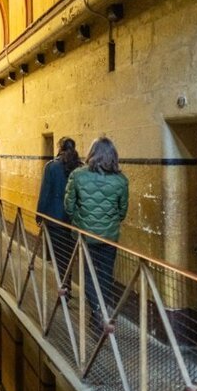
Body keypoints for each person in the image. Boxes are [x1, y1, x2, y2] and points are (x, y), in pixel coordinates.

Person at [63, 137, 129, 322]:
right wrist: (111, 221)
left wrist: (79, 219)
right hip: (109, 237)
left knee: (88, 274)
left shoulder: (78, 175)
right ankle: (103, 308)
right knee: (106, 273)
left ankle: (96, 310)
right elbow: (122, 210)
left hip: (85, 236)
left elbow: (68, 205)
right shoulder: (121, 180)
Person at [36, 137, 82, 283]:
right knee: (69, 254)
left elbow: (45, 193)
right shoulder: (80, 167)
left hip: (54, 219)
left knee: (58, 255)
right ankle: (66, 285)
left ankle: (64, 288)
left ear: (59, 148)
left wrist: (39, 215)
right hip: (73, 219)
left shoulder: (51, 167)